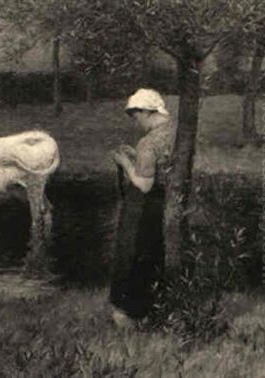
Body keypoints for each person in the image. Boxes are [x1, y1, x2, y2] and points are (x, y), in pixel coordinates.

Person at [109, 88, 176, 326]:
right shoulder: (174, 131)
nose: (136, 122)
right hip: (169, 200)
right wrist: (138, 157)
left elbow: (144, 184)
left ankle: (130, 313)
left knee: (133, 251)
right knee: (153, 255)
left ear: (147, 112)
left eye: (136, 116)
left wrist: (126, 163)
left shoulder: (149, 141)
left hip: (148, 204)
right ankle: (154, 308)